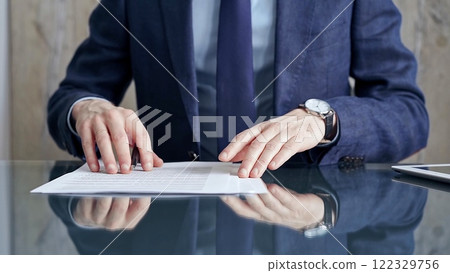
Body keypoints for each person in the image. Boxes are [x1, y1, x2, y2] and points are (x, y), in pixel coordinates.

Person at [47, 0, 429, 254]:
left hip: (311, 218)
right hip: (163, 221)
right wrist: (88, 109)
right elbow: (76, 92)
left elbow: (407, 112)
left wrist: (323, 121)